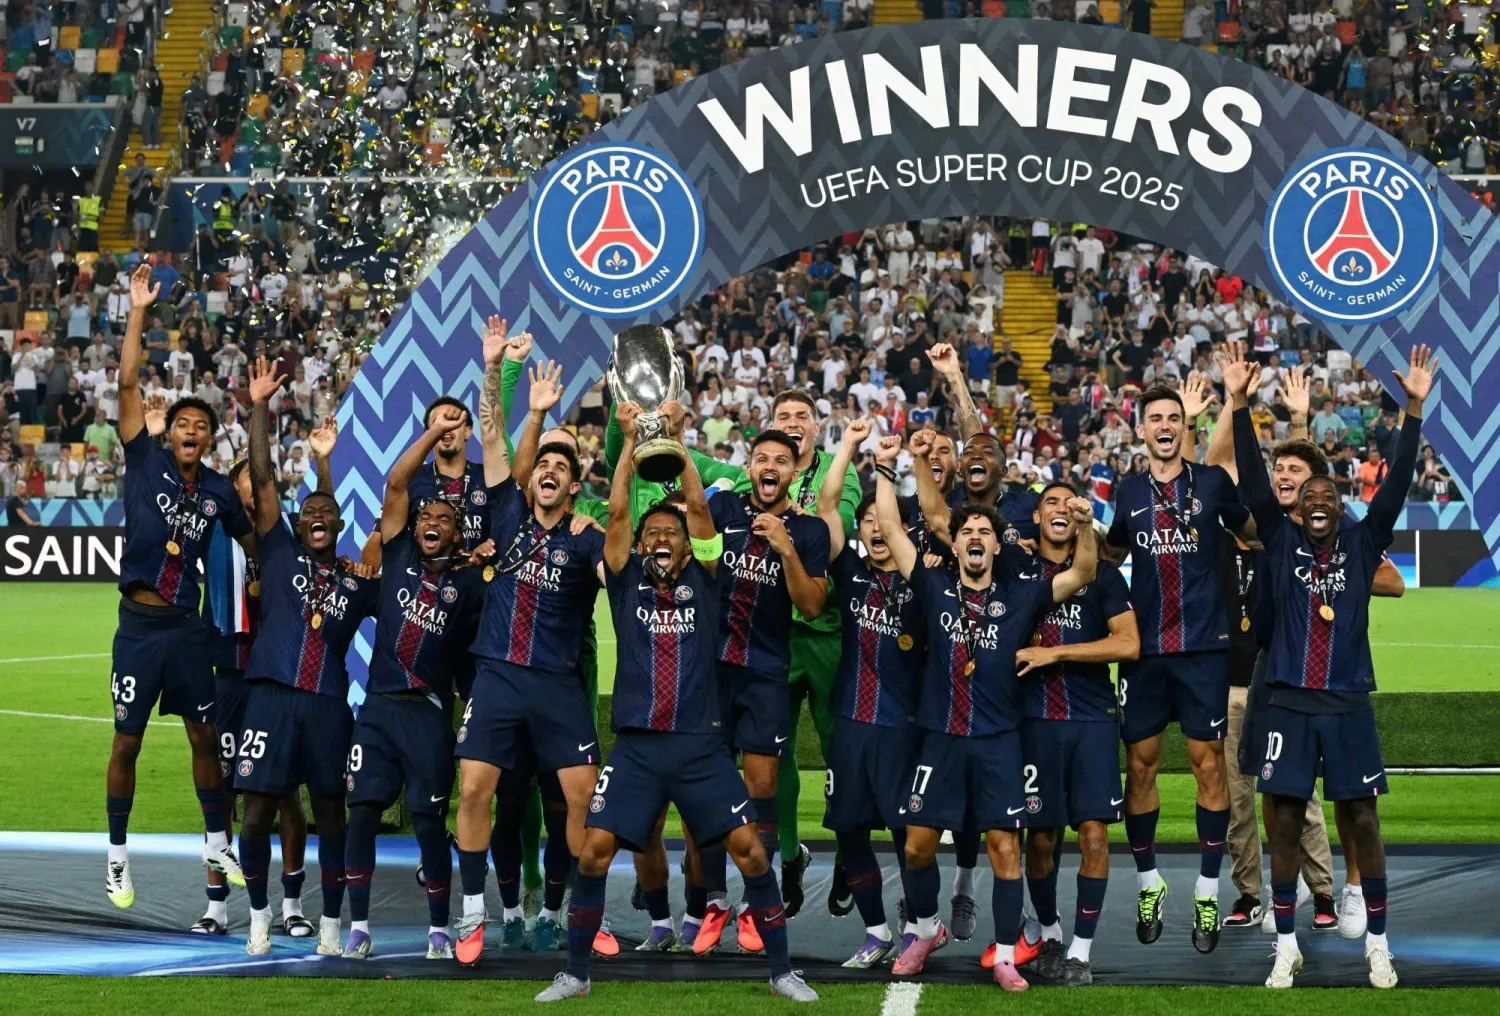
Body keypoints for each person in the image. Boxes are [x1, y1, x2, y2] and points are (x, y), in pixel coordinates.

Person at [534, 400, 816, 1003]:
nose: (661, 539)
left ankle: (781, 972)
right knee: (593, 853)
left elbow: (698, 511)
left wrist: (677, 446)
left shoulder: (709, 581)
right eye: (652, 534)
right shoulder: (625, 579)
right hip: (636, 748)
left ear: (691, 548)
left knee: (751, 854)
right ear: (639, 546)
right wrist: (628, 446)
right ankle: (575, 974)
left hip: (699, 747)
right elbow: (616, 514)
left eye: (672, 534)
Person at [1224, 341, 1434, 989]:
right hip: (1288, 700)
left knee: (1362, 818)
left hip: (1346, 701)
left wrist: (1413, 412)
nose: (1316, 500)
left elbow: (1396, 483)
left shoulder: (1363, 541)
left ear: (1340, 504)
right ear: (1296, 508)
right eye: (1307, 495)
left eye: (1327, 494)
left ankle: (1378, 944)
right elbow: (1255, 480)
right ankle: (1286, 945)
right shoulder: (1280, 536)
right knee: (1285, 820)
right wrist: (1239, 404)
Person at [871, 434, 1097, 992]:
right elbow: (892, 528)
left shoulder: (1023, 593)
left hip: (999, 739)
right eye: (967, 531)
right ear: (955, 544)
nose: (975, 537)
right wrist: (885, 467)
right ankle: (927, 929)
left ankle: (1004, 955)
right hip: (941, 736)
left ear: (998, 546)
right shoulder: (933, 584)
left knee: (1004, 848)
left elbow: (1082, 574)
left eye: (984, 533)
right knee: (917, 846)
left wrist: (1086, 526)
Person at [453, 320, 606, 967]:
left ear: (574, 486)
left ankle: (576, 915)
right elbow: (491, 432)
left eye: (561, 468)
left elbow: (617, 575)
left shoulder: (587, 535)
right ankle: (473, 915)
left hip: (558, 681)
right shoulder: (507, 511)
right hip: (497, 674)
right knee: (474, 789)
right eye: (542, 463)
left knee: (581, 798)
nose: (549, 470)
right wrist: (498, 372)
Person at [104, 265, 250, 911]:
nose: (191, 430)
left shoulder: (219, 490)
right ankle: (116, 858)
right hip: (138, 627)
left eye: (201, 426)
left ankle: (218, 843)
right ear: (169, 431)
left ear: (210, 439)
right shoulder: (144, 459)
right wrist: (138, 309)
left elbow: (256, 537)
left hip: (187, 629)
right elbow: (127, 382)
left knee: (203, 737)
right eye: (183, 423)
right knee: (127, 741)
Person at [237, 355, 379, 956]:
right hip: (269, 695)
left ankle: (330, 925)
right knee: (255, 816)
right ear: (295, 527)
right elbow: (262, 476)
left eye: (327, 515)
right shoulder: (277, 552)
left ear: (340, 526)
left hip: (326, 704)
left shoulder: (357, 582)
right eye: (308, 515)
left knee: (331, 816)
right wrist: (259, 406)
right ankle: (259, 915)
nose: (317, 518)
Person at [1103, 384, 1251, 953]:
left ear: (1183, 428)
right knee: (1139, 767)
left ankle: (1208, 891)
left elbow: (1250, 530)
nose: (1164, 426)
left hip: (1202, 650)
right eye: (1155, 419)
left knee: (1207, 765)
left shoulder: (1211, 483)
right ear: (1140, 430)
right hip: (1144, 653)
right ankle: (1150, 883)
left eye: (1173, 418)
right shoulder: (1128, 490)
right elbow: (1112, 554)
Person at [342, 403, 485, 960]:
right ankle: (358, 928)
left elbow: (474, 654)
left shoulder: (469, 586)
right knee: (361, 814)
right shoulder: (398, 550)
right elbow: (398, 483)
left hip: (428, 713)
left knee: (428, 821)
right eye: (426, 516)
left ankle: (438, 930)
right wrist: (433, 434)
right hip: (378, 709)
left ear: (457, 534)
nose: (431, 522)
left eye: (444, 520)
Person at [193, 415, 336, 937]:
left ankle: (292, 903)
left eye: (260, 482)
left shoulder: (283, 541)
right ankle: (217, 906)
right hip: (229, 675)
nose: (255, 487)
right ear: (233, 491)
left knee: (286, 795)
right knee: (224, 791)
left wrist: (323, 460)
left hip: (276, 681)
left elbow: (325, 517)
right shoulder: (214, 530)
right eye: (247, 481)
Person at [692, 427, 831, 956]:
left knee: (763, 783)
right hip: (711, 669)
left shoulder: (810, 531)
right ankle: (712, 901)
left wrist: (784, 546)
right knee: (706, 783)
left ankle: (756, 902)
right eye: (761, 458)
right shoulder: (724, 508)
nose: (770, 466)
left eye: (781, 460)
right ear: (749, 467)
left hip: (766, 671)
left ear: (794, 472)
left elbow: (812, 606)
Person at [1012, 481, 1139, 986]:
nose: (1060, 509)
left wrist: (1057, 653)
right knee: (1040, 838)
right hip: (1033, 720)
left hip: (1091, 720)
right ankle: (1049, 934)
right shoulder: (1016, 569)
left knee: (1093, 834)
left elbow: (1128, 644)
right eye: (1050, 503)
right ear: (1037, 517)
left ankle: (1081, 953)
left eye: (1069, 503)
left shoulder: (1103, 576)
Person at [814, 418, 924, 968]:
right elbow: (826, 505)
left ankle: (919, 924)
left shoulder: (923, 580)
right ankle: (877, 931)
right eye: (868, 522)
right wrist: (849, 446)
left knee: (908, 834)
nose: (877, 528)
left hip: (901, 728)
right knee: (850, 830)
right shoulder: (851, 573)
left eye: (886, 520)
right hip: (851, 725)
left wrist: (894, 469)